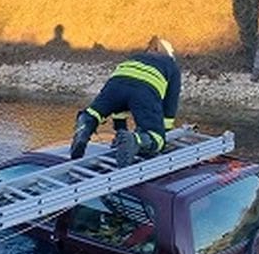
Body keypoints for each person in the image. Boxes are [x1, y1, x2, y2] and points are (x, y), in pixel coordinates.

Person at [69, 36, 181, 168]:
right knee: (157, 138)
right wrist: (163, 132)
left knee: (95, 113)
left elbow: (119, 107)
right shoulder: (172, 66)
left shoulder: (136, 57)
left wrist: (120, 131)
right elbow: (170, 104)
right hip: (144, 91)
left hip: (115, 84)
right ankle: (136, 141)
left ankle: (86, 124)